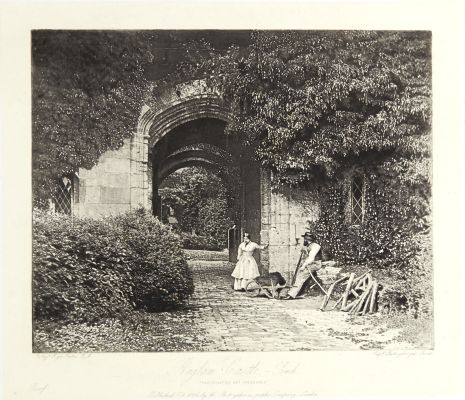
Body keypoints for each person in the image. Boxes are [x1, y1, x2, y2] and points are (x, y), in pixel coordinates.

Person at [285, 232, 323, 299]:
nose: (304, 241)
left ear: (306, 239)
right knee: (300, 274)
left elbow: (311, 258)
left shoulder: (315, 246)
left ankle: (291, 294)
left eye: (304, 239)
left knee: (301, 275)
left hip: (315, 264)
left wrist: (304, 266)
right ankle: (299, 293)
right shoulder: (308, 245)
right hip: (311, 263)